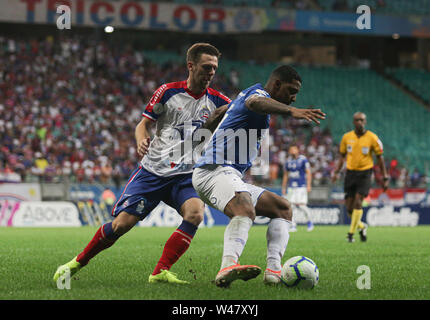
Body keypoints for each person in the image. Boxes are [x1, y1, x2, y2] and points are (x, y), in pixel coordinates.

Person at [53, 43, 231, 285]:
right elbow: (143, 124)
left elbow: (240, 116)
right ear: (191, 66)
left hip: (186, 175)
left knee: (195, 214)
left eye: (214, 68)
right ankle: (76, 263)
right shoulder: (167, 93)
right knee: (120, 226)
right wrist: (140, 141)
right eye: (206, 67)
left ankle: (159, 272)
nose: (211, 72)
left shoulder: (220, 102)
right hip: (153, 171)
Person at [192, 65, 325, 287]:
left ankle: (273, 271)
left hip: (227, 174)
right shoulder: (257, 96)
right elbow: (254, 103)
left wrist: (197, 140)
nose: (292, 98)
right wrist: (292, 112)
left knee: (283, 208)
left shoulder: (245, 94)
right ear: (276, 85)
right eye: (291, 91)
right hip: (213, 171)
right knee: (245, 207)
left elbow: (217, 113)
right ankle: (227, 266)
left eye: (296, 95)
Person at [332, 112, 388, 243]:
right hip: (350, 173)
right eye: (357, 120)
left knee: (358, 201)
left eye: (362, 120)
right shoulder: (346, 137)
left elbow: (380, 158)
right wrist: (336, 172)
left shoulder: (373, 138)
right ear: (353, 122)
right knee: (349, 209)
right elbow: (342, 156)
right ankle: (362, 227)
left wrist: (385, 177)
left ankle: (350, 234)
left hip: (365, 173)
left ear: (365, 122)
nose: (359, 122)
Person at [281, 145, 314, 232]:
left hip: (301, 186)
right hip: (291, 187)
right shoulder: (288, 162)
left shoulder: (303, 159)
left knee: (302, 206)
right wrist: (284, 187)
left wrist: (309, 185)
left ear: (297, 150)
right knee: (290, 207)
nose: (292, 151)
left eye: (294, 149)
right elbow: (285, 175)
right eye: (291, 149)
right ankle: (293, 225)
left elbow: (308, 172)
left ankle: (310, 222)